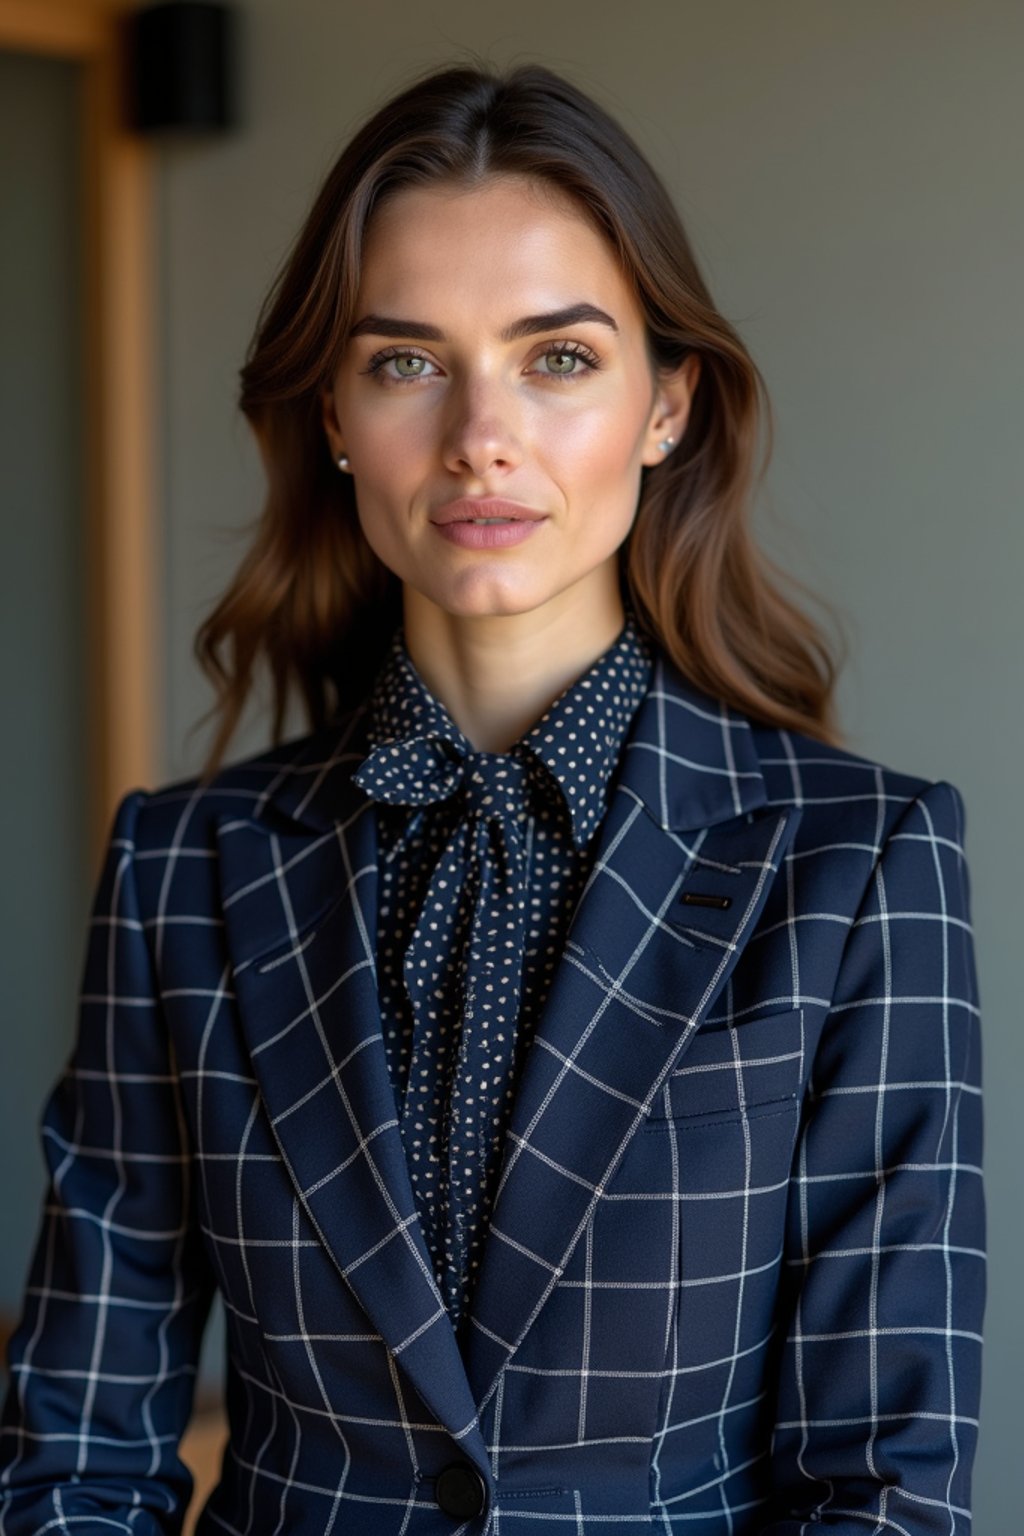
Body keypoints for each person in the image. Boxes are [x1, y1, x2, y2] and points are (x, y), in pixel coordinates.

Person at [0, 61, 984, 1536]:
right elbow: (78, 1452)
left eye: (559, 358)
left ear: (667, 405)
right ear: (332, 410)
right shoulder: (182, 870)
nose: (479, 433)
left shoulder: (860, 866)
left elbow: (885, 1486)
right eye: (406, 361)